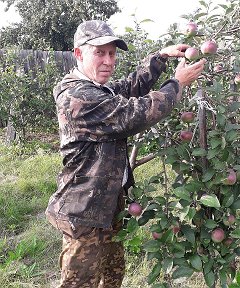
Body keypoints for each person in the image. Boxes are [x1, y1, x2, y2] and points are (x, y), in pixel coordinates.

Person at [45, 19, 206, 288]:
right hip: (84, 212)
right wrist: (176, 84)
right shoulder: (77, 97)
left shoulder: (97, 88)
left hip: (108, 205)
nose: (108, 61)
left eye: (112, 53)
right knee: (80, 283)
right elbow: (134, 114)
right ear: (78, 53)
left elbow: (128, 88)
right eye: (99, 52)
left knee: (112, 278)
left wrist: (159, 57)